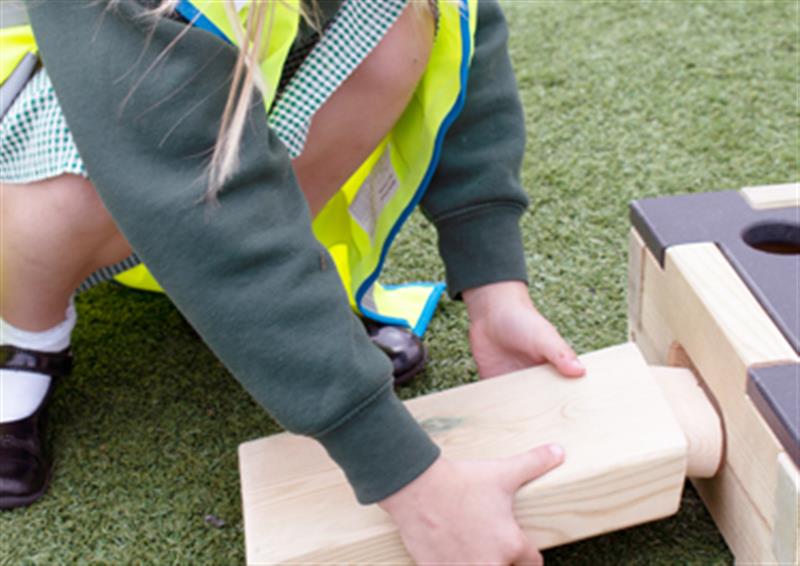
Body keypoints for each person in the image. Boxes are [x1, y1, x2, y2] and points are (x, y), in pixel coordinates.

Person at [0, 0, 585, 562]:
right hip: (57, 113)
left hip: (185, 134)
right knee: (76, 186)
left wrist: (494, 288)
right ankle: (23, 343)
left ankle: (247, 314)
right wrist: (412, 484)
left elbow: (462, 21)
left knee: (403, 21)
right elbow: (187, 187)